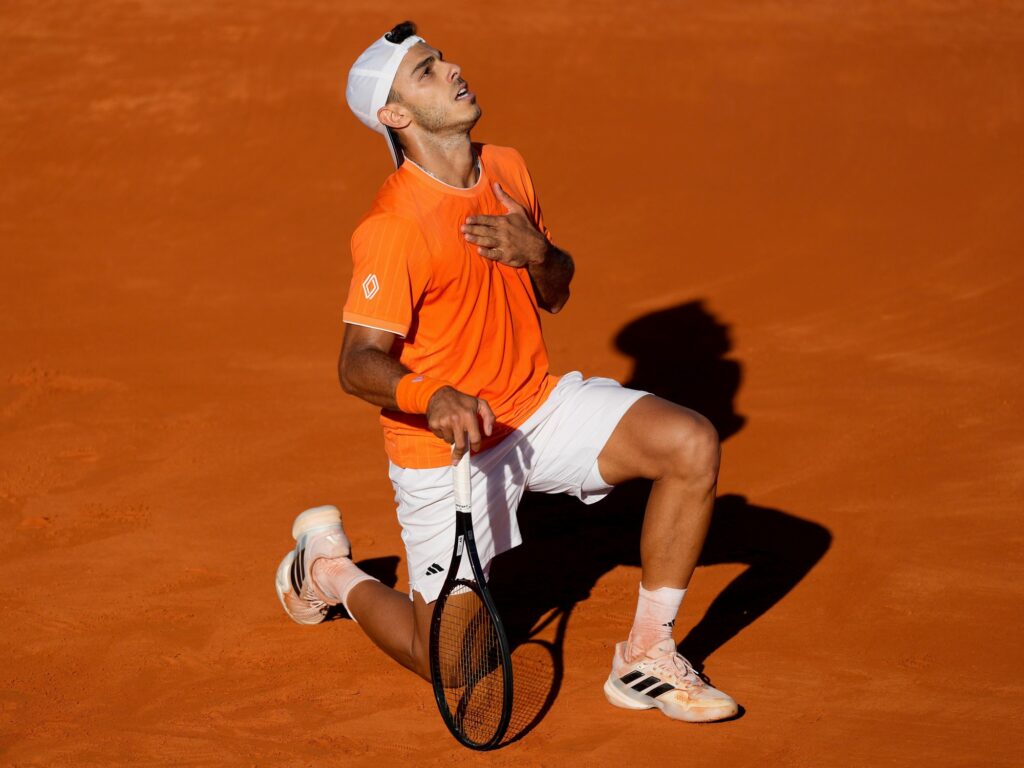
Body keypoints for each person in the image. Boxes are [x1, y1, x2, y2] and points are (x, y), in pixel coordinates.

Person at [274, 21, 738, 724]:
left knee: (691, 443)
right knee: (451, 665)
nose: (453, 69)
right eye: (427, 71)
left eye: (442, 59)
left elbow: (556, 292)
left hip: (534, 411)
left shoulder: (508, 167)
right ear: (395, 116)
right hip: (447, 451)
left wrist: (540, 253)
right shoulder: (395, 226)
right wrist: (432, 395)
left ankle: (647, 653)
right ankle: (327, 569)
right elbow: (356, 363)